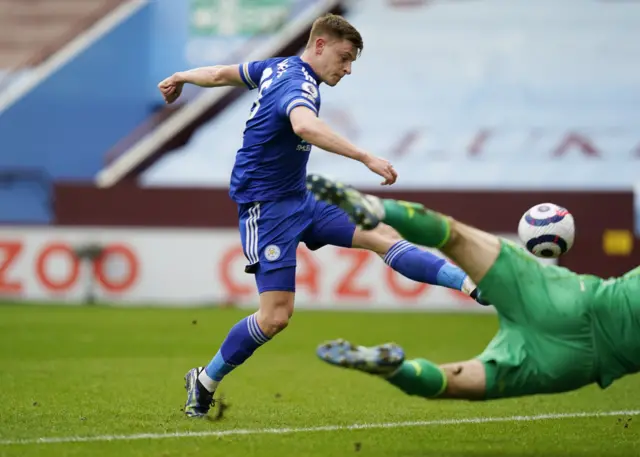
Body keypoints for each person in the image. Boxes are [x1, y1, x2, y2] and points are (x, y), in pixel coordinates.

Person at [158, 14, 486, 418]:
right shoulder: (298, 84)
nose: (347, 69)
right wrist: (365, 156)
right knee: (276, 317)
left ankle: (472, 285)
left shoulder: (276, 67)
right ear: (319, 45)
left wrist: (182, 76)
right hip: (267, 208)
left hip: (301, 196)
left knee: (380, 233)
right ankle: (205, 380)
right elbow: (305, 126)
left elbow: (222, 72)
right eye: (344, 57)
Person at [306, 173, 640, 400]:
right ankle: (396, 370)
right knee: (455, 383)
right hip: (590, 356)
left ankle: (396, 369)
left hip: (567, 324)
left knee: (454, 236)